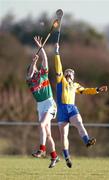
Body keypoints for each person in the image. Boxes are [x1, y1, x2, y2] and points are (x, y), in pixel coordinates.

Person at [54, 42, 108, 168]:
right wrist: (57, 53)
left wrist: (98, 89)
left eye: (70, 73)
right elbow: (58, 68)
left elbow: (86, 90)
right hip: (62, 109)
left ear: (73, 76)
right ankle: (67, 156)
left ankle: (87, 141)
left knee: (79, 122)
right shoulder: (61, 81)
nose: (68, 74)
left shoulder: (75, 85)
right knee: (64, 135)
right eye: (66, 73)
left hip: (71, 108)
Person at [26, 36, 59, 168]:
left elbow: (45, 60)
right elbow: (29, 73)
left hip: (50, 103)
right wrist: (33, 62)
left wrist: (41, 48)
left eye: (33, 69)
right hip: (40, 106)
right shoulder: (30, 82)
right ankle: (54, 157)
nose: (32, 70)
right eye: (31, 69)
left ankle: (42, 150)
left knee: (41, 124)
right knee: (48, 133)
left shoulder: (43, 74)